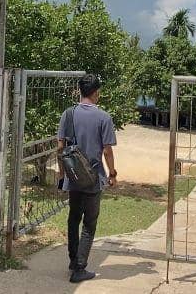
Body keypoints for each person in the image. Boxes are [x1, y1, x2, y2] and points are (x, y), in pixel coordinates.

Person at [56, 74, 117, 283]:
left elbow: (60, 148)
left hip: (73, 177)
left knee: (73, 219)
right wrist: (113, 173)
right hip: (93, 178)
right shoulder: (104, 118)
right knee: (89, 224)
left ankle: (73, 261)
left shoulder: (68, 114)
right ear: (96, 92)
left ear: (80, 91)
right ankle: (79, 268)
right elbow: (107, 151)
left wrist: (62, 175)